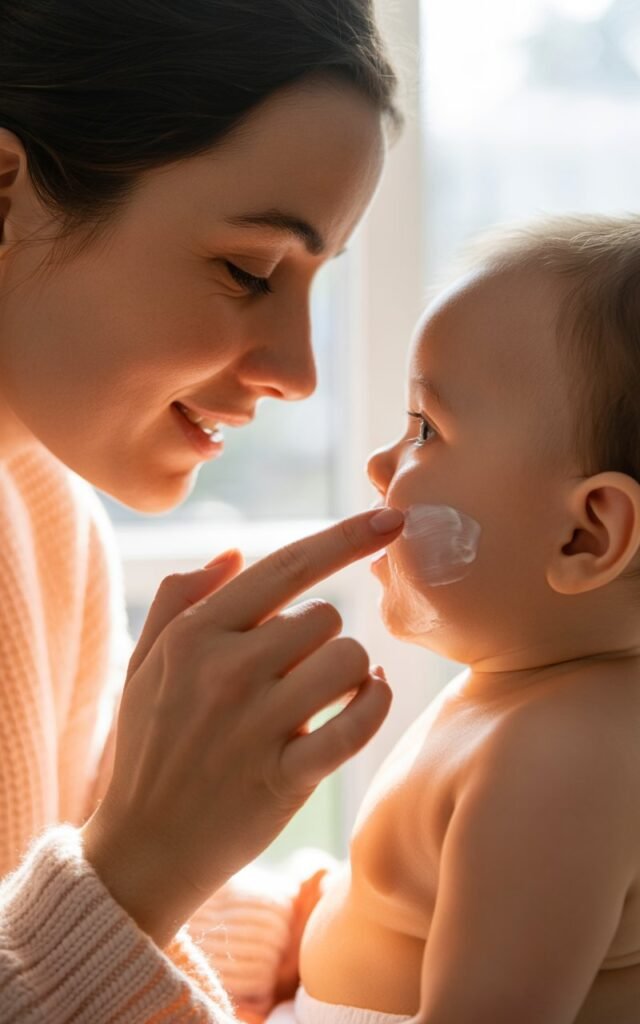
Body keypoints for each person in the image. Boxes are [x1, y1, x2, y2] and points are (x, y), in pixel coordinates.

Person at [0, 1, 407, 1020]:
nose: (300, 374)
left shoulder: (44, 511)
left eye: (312, 284)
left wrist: (363, 927)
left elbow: (64, 905)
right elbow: (98, 900)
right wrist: (140, 859)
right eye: (249, 270)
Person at [209, 214, 640, 1024]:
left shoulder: (561, 757)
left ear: (587, 534)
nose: (379, 465)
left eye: (425, 429)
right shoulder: (529, 699)